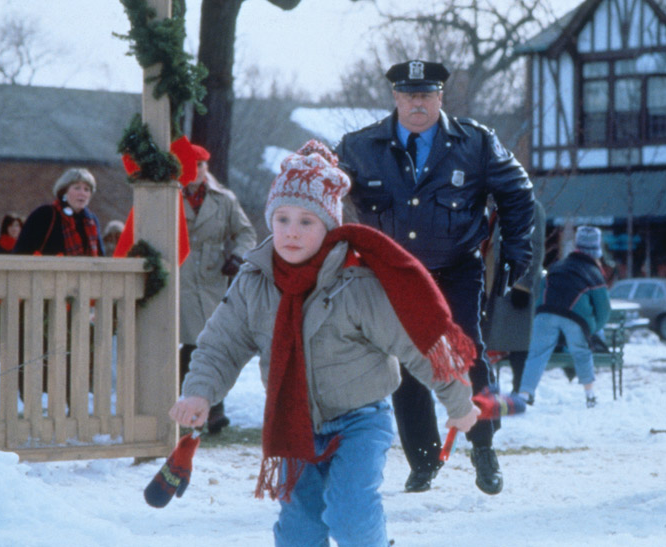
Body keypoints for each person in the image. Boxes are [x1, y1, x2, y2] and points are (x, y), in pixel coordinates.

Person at [170, 141, 479, 546]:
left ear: (329, 226)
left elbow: (415, 343)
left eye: (306, 221)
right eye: (282, 218)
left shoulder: (355, 282)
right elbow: (220, 345)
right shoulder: (255, 281)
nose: (291, 231)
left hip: (360, 420)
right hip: (294, 420)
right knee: (300, 529)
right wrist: (199, 392)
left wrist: (459, 403)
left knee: (350, 514)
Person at [335, 59, 535, 495]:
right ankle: (423, 460)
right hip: (394, 275)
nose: (417, 104)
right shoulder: (359, 147)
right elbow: (323, 190)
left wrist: (516, 248)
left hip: (456, 268)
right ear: (395, 97)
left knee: (467, 354)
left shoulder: (475, 143)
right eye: (409, 95)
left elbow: (518, 192)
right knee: (407, 362)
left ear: (441, 96)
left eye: (426, 95)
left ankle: (483, 446)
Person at [178, 144, 256, 434]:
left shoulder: (224, 199)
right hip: (179, 276)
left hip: (212, 278)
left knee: (207, 341)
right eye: (191, 164)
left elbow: (246, 232)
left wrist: (238, 256)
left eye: (201, 165)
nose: (197, 170)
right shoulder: (168, 196)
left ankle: (208, 408)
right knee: (188, 342)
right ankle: (202, 407)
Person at [516, 225, 611, 408]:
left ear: (576, 245)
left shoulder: (557, 266)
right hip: (575, 319)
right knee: (582, 353)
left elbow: (541, 292)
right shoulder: (594, 274)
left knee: (536, 354)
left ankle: (525, 393)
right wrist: (592, 329)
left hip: (545, 313)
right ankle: (590, 395)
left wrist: (540, 313)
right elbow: (604, 310)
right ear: (597, 250)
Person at [482, 200, 546, 393]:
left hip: (514, 285)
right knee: (488, 340)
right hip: (491, 284)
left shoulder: (528, 205)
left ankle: (520, 391)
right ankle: (487, 388)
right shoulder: (496, 206)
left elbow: (534, 246)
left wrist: (523, 284)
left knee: (517, 343)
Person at [15, 168, 104, 256]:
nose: (82, 193)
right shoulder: (45, 214)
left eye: (87, 189)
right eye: (77, 188)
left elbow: (100, 257)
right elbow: (22, 251)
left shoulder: (91, 220)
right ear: (64, 191)